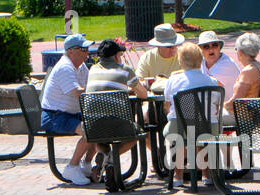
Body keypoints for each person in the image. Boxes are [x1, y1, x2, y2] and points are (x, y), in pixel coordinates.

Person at [83, 38, 143, 180]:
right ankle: (110, 160)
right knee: (136, 135)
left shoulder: (93, 69)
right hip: (119, 126)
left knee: (101, 139)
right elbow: (143, 94)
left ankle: (104, 156)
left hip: (91, 128)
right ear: (116, 55)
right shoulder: (125, 70)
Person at [40, 33, 96, 186]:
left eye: (87, 49)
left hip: (73, 114)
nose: (87, 52)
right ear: (71, 51)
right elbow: (78, 92)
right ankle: (72, 167)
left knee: (99, 127)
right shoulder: (65, 67)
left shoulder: (81, 66)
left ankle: (86, 165)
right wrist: (99, 89)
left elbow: (90, 86)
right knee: (89, 130)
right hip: (55, 116)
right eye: (83, 49)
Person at [163, 41, 221, 188]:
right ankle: (207, 174)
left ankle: (178, 175)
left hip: (180, 128)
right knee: (202, 132)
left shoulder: (173, 81)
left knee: (179, 136)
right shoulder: (212, 81)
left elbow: (167, 104)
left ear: (180, 60)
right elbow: (216, 105)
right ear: (201, 59)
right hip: (209, 128)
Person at [223, 32, 260, 122]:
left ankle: (205, 136)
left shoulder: (248, 72)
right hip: (255, 113)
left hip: (244, 116)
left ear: (240, 52)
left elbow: (236, 100)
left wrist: (221, 106)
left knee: (207, 117)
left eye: (236, 49)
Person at [136, 23, 184, 91]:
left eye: (175, 45)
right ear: (158, 46)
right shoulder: (147, 58)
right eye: (169, 47)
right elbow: (138, 82)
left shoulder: (183, 56)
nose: (173, 49)